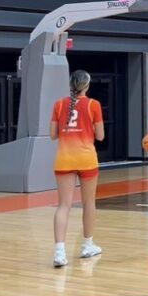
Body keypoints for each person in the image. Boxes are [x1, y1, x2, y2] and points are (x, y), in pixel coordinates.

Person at [49, 70, 104, 268]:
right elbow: (100, 136)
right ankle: (87, 245)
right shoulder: (93, 105)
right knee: (89, 203)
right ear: (87, 86)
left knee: (63, 206)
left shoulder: (58, 104)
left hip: (64, 159)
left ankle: (59, 252)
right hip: (87, 158)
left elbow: (53, 135)